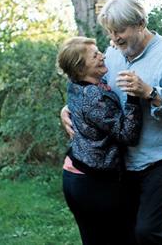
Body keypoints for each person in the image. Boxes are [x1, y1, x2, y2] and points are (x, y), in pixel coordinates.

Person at [61, 0, 162, 244]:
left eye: (120, 31)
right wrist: (70, 107)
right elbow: (93, 89)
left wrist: (150, 93)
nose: (114, 39)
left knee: (147, 233)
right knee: (124, 234)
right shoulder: (114, 54)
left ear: (140, 23)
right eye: (111, 32)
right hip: (126, 163)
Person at [57, 36, 143, 245]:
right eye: (95, 55)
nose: (102, 56)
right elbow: (127, 135)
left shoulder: (76, 85)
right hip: (93, 183)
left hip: (75, 175)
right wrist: (133, 96)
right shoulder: (95, 96)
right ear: (80, 68)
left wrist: (115, 44)